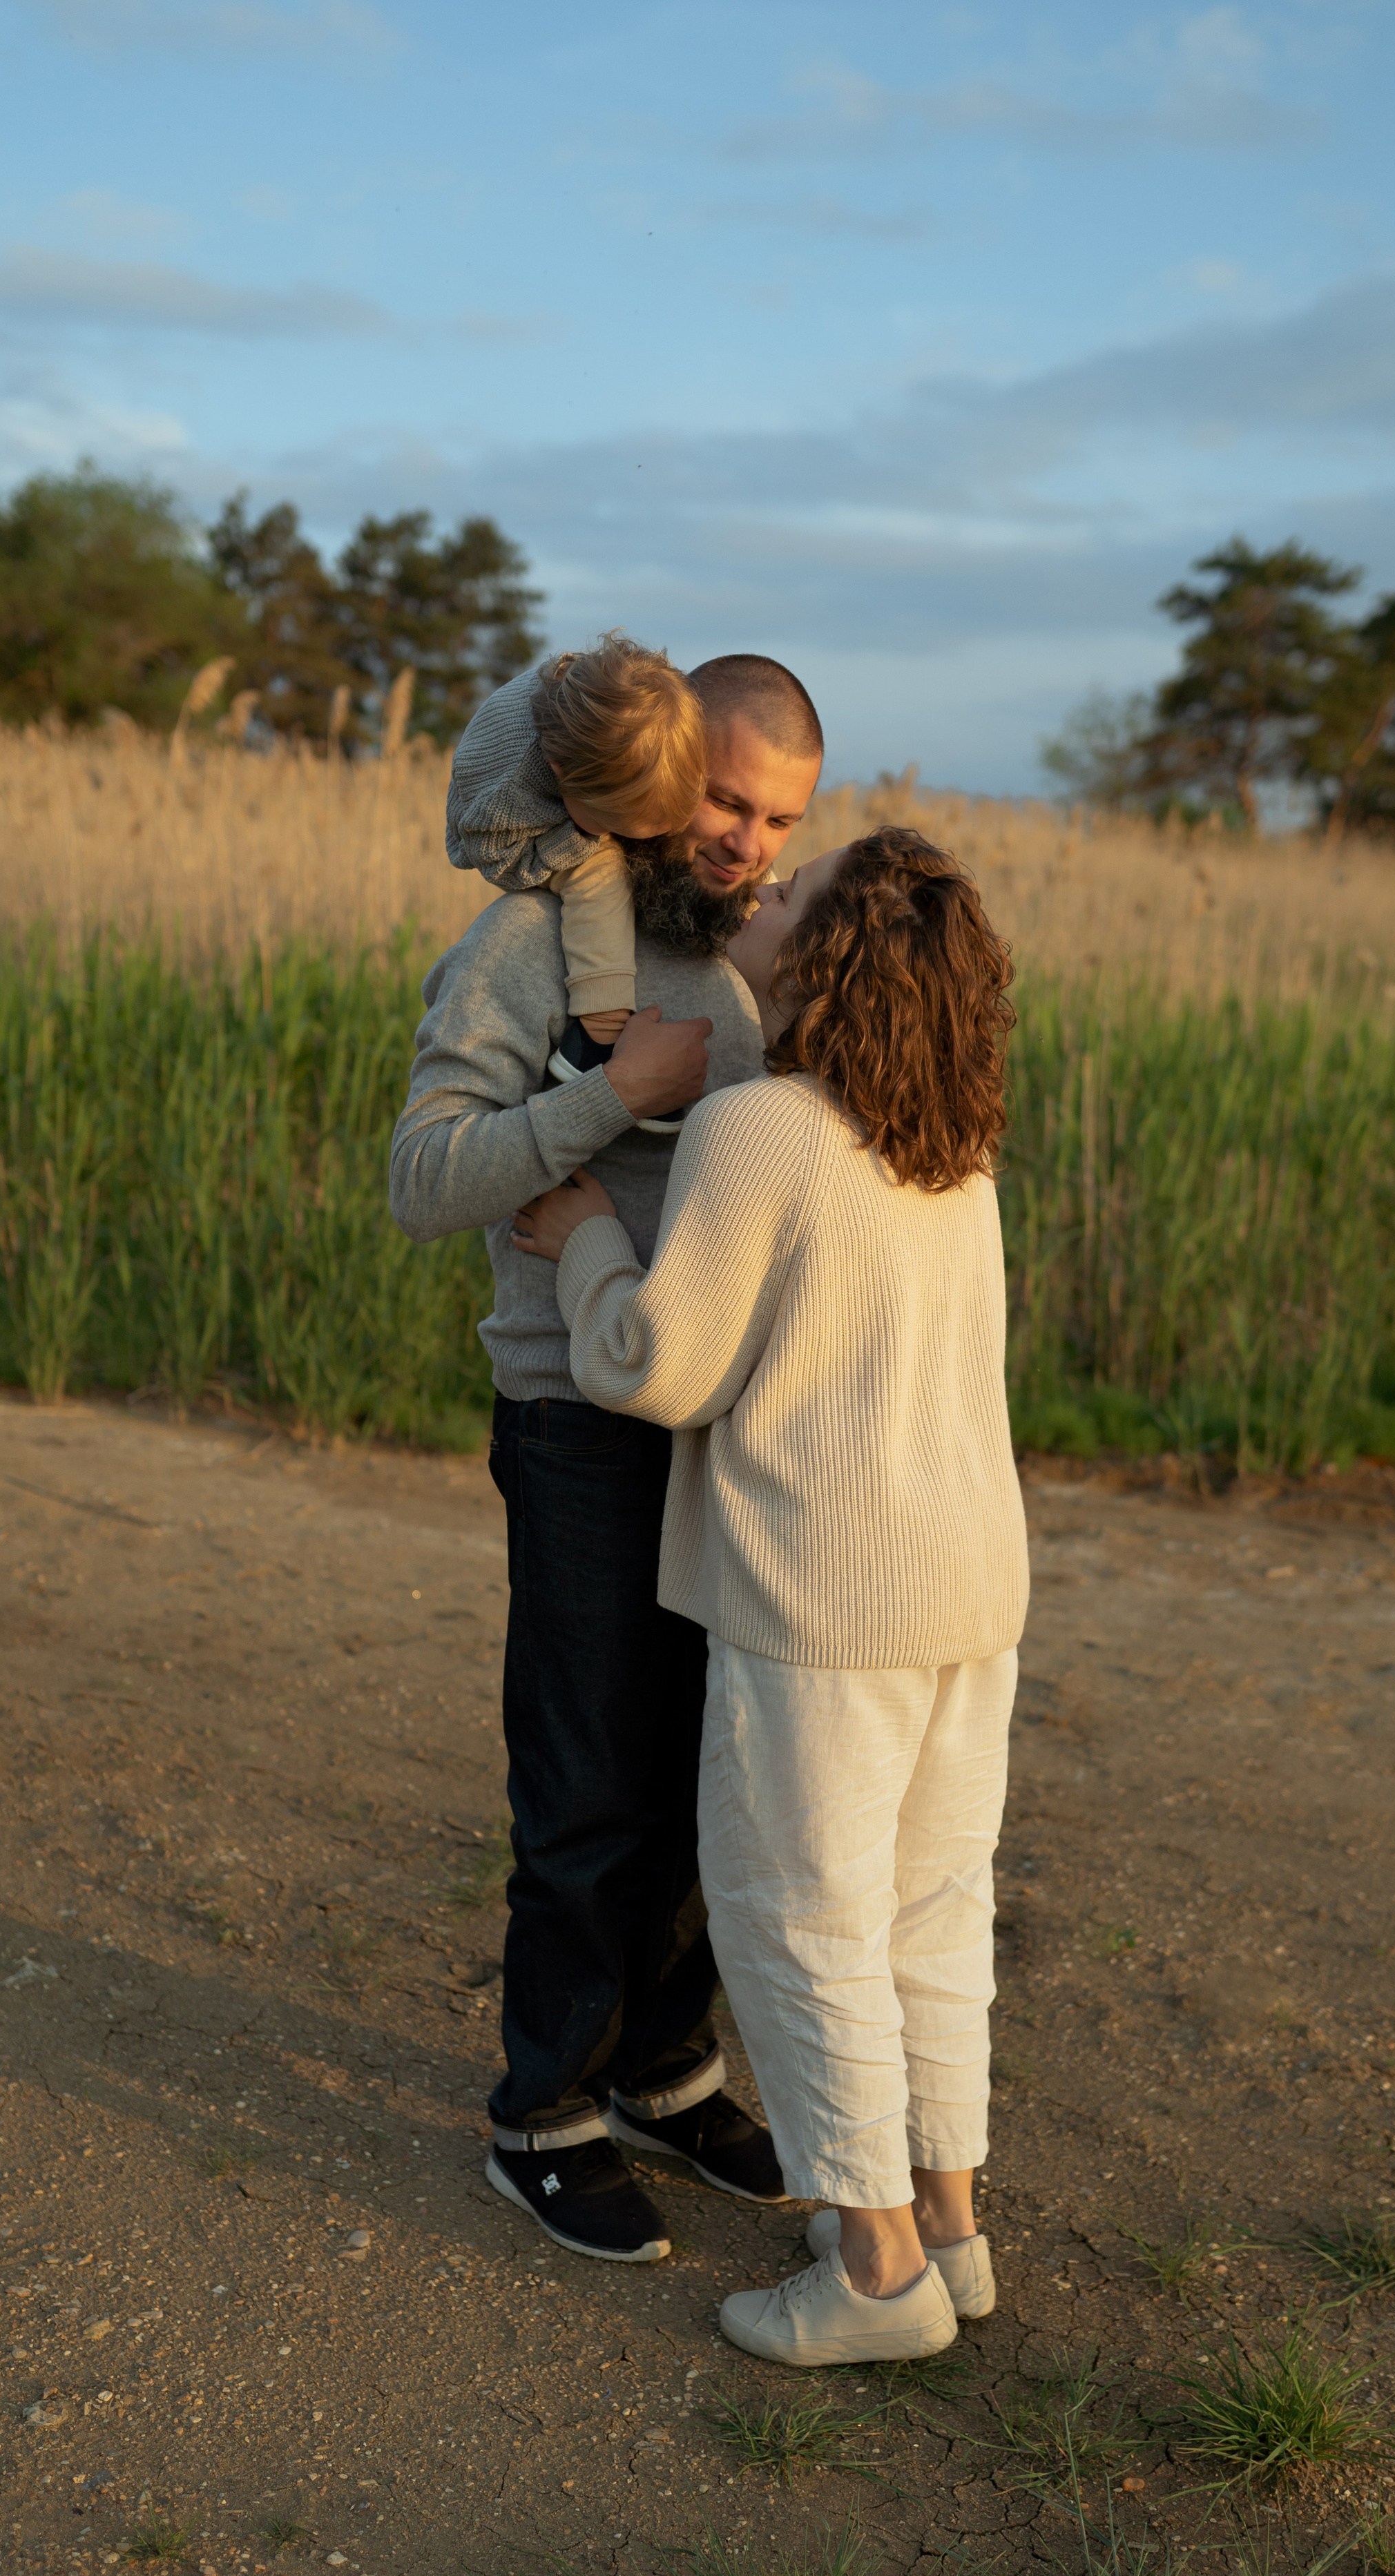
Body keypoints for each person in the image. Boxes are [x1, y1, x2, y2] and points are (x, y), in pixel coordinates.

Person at [510, 827, 1030, 2363]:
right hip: (968, 1588)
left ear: (825, 958)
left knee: (798, 1913)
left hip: (826, 1598)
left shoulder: (760, 1127)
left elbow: (656, 1369)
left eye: (793, 894)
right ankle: (947, 2222)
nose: (761, 892)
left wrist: (585, 1236)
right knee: (932, 1911)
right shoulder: (951, 1148)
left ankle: (868, 2273)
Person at [389, 654, 825, 2263]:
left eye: (778, 814)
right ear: (652, 778)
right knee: (585, 1773)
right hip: (576, 1419)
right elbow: (425, 1177)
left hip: (728, 1415)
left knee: (709, 1763)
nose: (742, 839)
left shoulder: (767, 954)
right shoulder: (526, 944)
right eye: (722, 799)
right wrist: (608, 1102)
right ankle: (543, 2110)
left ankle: (661, 2062)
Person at [446, 633, 706, 1092]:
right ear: (565, 779)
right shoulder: (508, 801)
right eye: (625, 826)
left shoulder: (616, 694)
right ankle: (597, 1036)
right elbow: (495, 862)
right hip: (502, 837)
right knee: (601, 879)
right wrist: (580, 839)